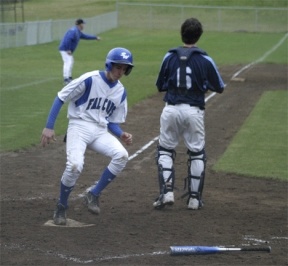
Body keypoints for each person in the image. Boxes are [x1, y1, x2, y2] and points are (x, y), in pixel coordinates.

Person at [41, 47, 134, 225]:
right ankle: (61, 206)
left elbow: (111, 121)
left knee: (122, 155)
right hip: (79, 126)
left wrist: (121, 134)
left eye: (124, 69)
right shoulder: (90, 79)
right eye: (118, 67)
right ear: (109, 64)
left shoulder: (121, 92)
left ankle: (93, 194)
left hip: (100, 131)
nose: (120, 72)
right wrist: (49, 126)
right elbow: (61, 97)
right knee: (75, 165)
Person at [153, 17, 225, 210]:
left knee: (165, 150)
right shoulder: (205, 59)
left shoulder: (169, 56)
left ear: (181, 33)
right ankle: (194, 199)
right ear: (199, 36)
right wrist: (203, 84)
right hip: (194, 111)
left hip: (171, 108)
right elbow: (219, 87)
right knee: (196, 153)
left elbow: (160, 85)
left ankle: (167, 192)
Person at [59, 18, 101, 85]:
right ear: (80, 24)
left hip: (66, 49)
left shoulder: (77, 31)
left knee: (70, 61)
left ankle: (69, 77)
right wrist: (68, 49)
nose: (84, 25)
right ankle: (66, 79)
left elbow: (86, 36)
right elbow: (68, 39)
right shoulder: (74, 31)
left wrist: (95, 37)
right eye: (83, 24)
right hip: (65, 49)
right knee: (68, 62)